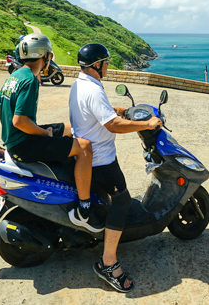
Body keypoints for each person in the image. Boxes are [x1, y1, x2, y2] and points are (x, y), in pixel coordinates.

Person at [69, 43, 161, 293]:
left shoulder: (80, 84)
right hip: (101, 160)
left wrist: (122, 110)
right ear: (97, 65)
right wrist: (147, 124)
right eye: (106, 62)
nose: (108, 66)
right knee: (121, 202)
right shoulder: (93, 90)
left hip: (89, 154)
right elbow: (113, 126)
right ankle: (108, 262)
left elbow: (100, 113)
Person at [0, 33, 100, 231]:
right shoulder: (30, 80)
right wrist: (44, 133)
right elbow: (20, 121)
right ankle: (84, 208)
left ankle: (72, 176)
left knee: (69, 128)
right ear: (45, 56)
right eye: (49, 55)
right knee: (85, 147)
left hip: (15, 142)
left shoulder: (15, 76)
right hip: (24, 145)